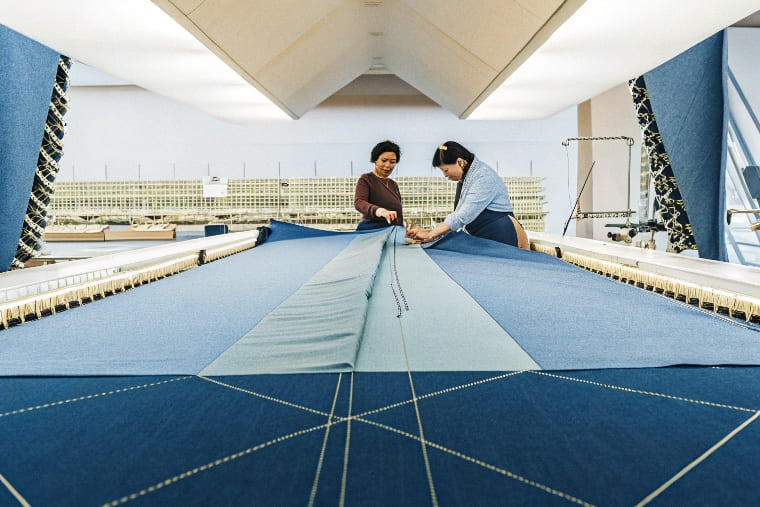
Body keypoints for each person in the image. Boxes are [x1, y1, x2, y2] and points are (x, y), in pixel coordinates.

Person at [406, 141, 529, 248]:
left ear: (460, 162)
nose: (445, 175)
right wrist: (431, 233)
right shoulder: (467, 179)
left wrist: (431, 234)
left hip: (506, 236)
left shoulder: (483, 177)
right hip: (489, 238)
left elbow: (462, 216)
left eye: (445, 170)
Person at [354, 140, 404, 230]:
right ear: (375, 160)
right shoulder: (366, 179)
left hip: (392, 233)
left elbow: (399, 216)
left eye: (392, 162)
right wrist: (380, 211)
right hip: (372, 232)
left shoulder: (394, 185)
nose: (388, 165)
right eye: (384, 161)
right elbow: (359, 202)